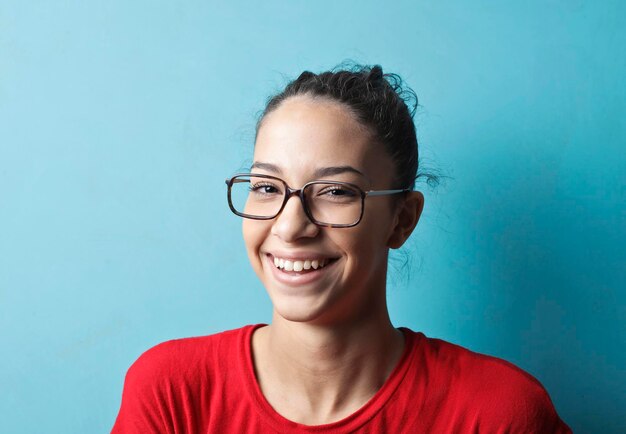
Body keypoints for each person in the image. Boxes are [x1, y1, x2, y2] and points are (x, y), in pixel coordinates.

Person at [111, 64, 572, 433]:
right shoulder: (172, 393)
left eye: (334, 192)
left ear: (402, 219)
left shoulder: (498, 413)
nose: (290, 227)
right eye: (267, 187)